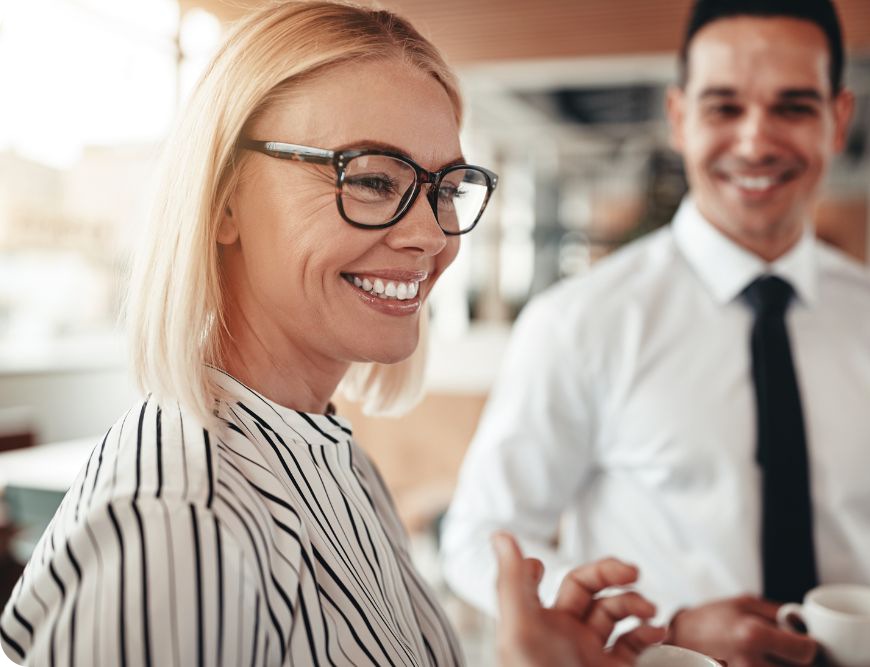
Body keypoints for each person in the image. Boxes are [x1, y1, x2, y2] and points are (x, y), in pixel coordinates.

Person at [0, 3, 668, 665]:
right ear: (224, 198)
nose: (433, 235)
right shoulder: (179, 524)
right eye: (374, 179)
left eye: (446, 189)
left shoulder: (341, 460)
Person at [441, 1, 870, 665]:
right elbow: (480, 537)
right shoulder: (579, 322)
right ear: (678, 117)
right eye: (724, 107)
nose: (756, 141)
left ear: (838, 119)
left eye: (792, 106)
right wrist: (654, 629)